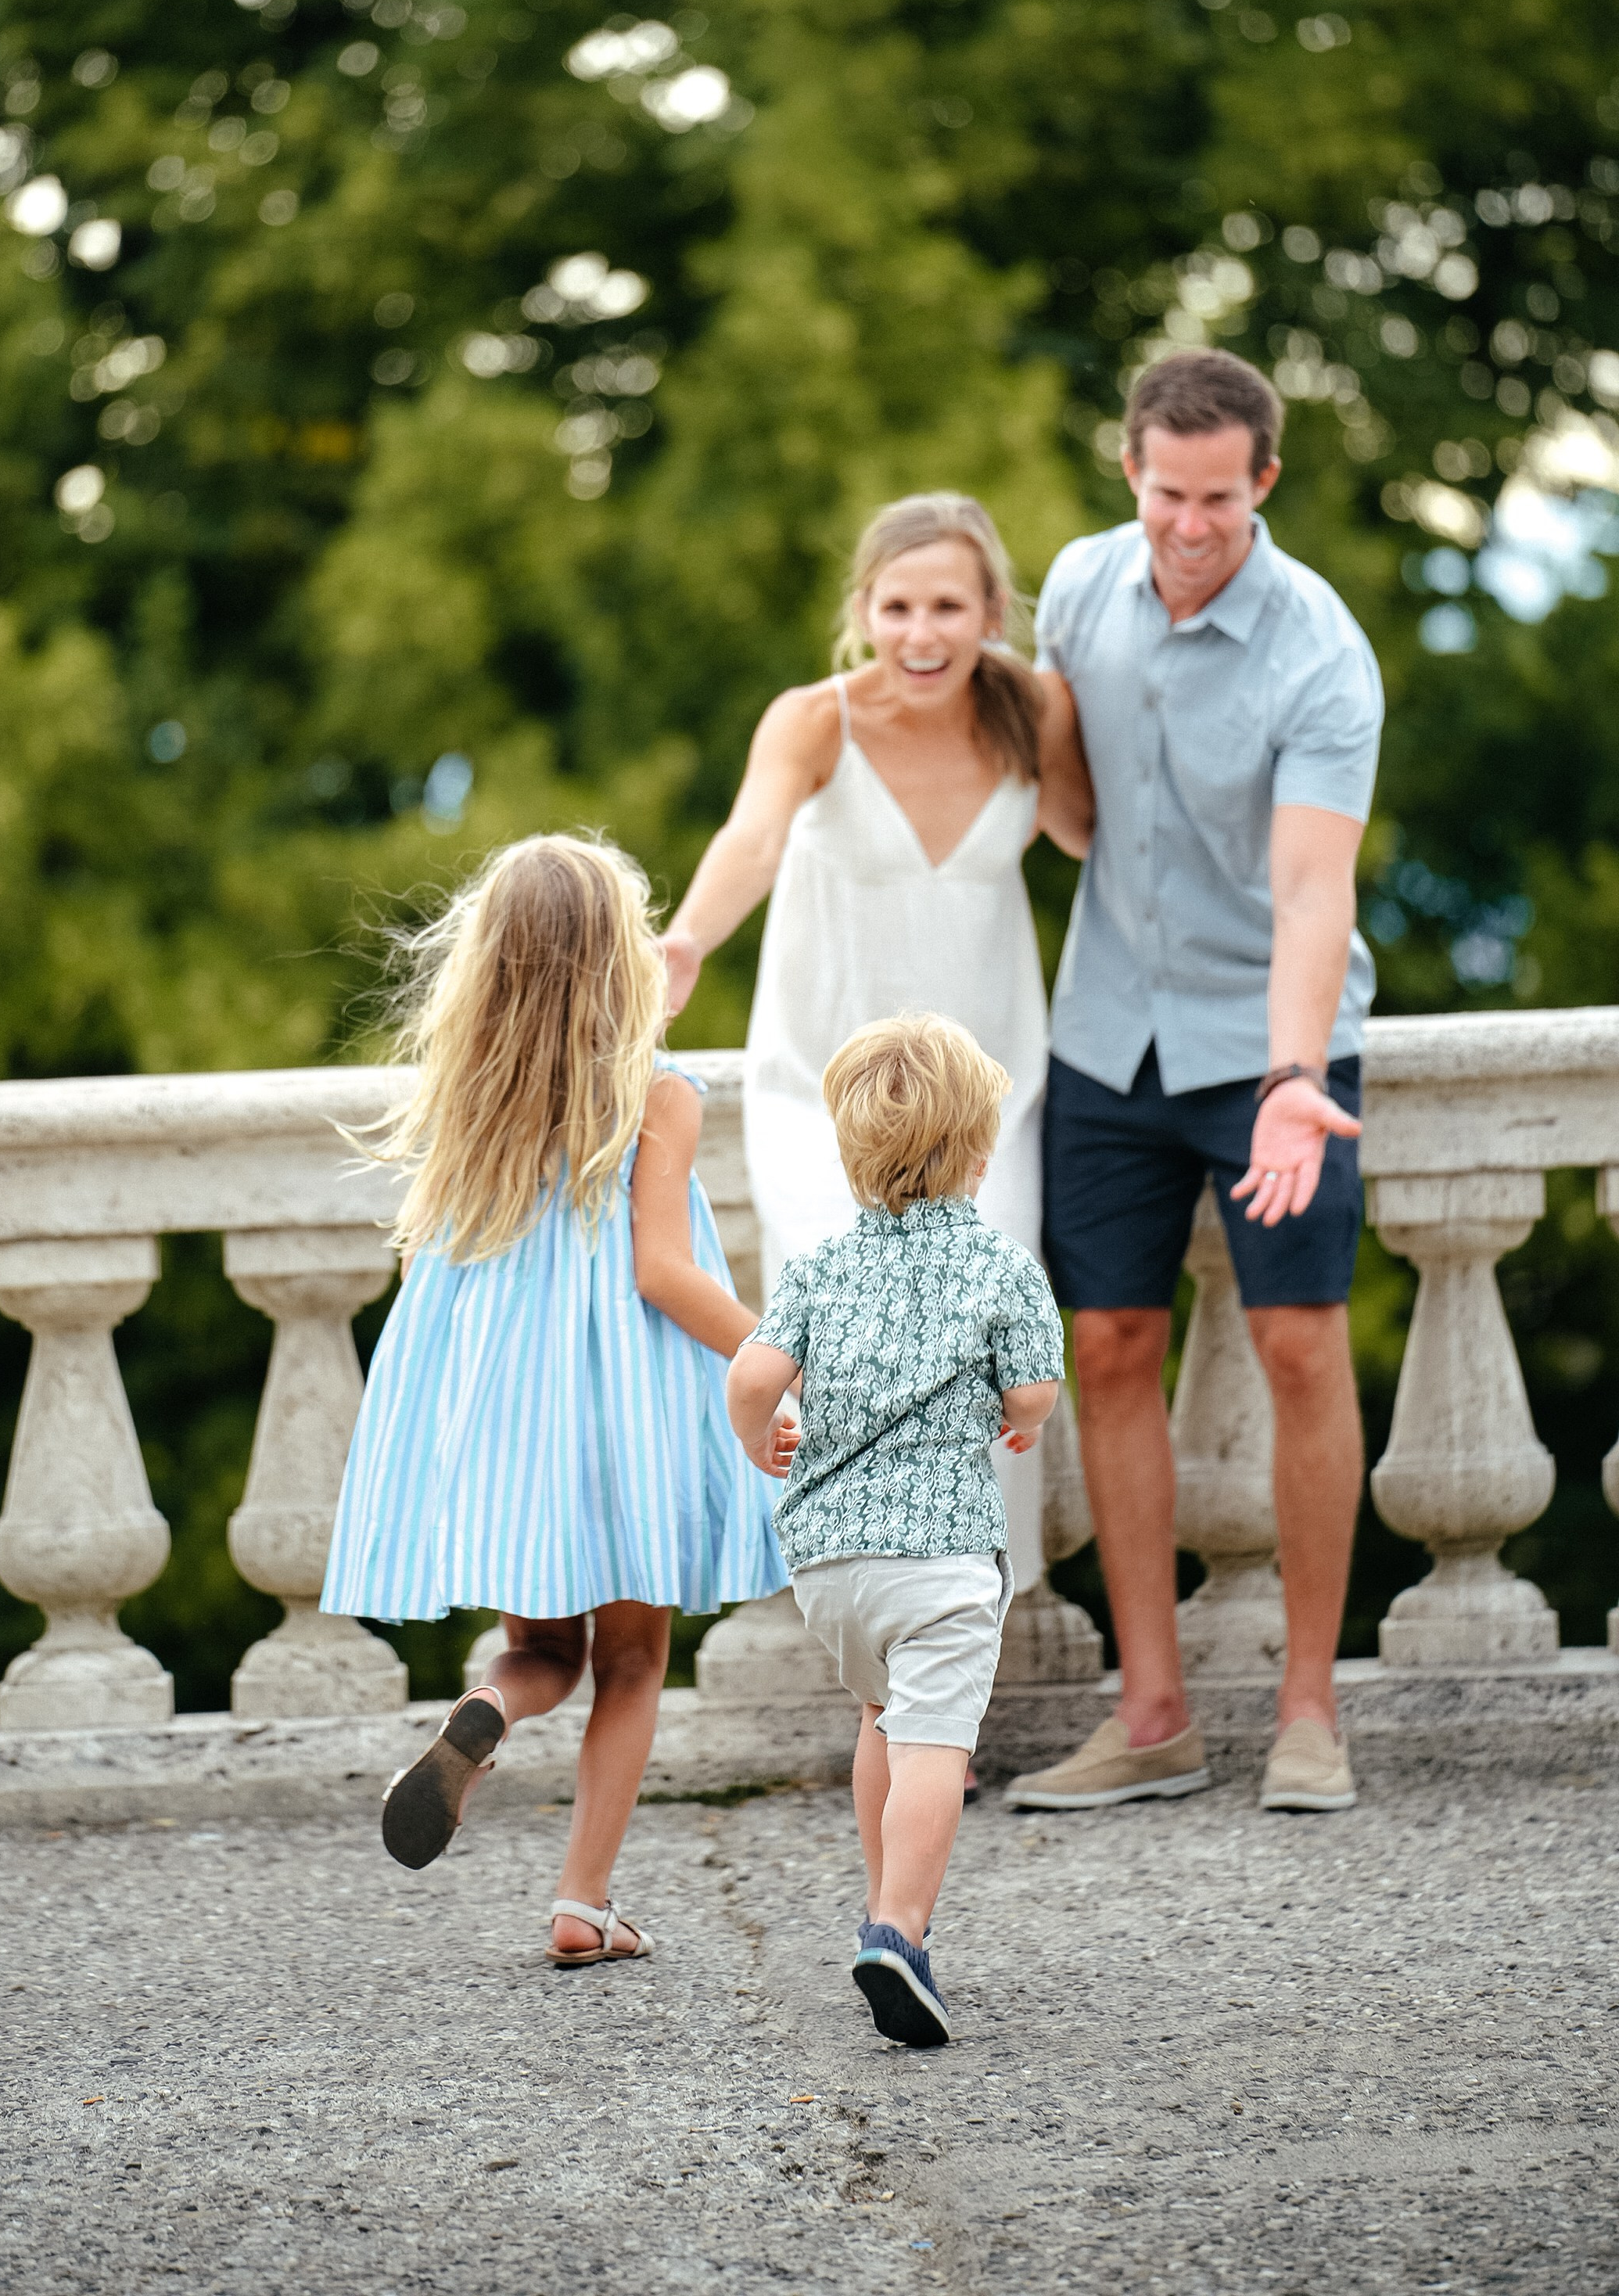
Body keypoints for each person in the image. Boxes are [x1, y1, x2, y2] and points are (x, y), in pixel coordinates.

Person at [1010, 347, 1383, 1818]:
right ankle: (1152, 1713)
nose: (1188, 525)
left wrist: (1294, 1073)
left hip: (1271, 1045)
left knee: (1298, 1343)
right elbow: (1073, 810)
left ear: (1263, 483)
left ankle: (1308, 1710)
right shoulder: (1081, 585)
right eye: (1167, 494)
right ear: (1132, 473)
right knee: (1104, 1341)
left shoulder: (1318, 651)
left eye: (1218, 499)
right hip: (1107, 1029)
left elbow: (1313, 894)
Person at [321, 834, 787, 1963]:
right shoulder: (660, 1095)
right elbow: (662, 1274)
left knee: (545, 1650)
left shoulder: (468, 1101)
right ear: (623, 964)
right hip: (624, 1424)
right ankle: (582, 1901)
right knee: (631, 1659)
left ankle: (489, 1712)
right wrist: (783, 1349)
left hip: (513, 1425)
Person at [662, 492, 1091, 1590]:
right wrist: (685, 943)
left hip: (986, 1114)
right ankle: (873, 1655)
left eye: (949, 605)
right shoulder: (814, 720)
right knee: (842, 1362)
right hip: (821, 1103)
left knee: (988, 1360)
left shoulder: (1036, 712)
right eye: (898, 606)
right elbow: (752, 837)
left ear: (993, 608)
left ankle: (958, 1666)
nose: (923, 634)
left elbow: (1100, 836)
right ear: (863, 608)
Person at [729, 1015, 1064, 2048]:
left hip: (831, 1565)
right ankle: (900, 1928)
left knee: (880, 1712)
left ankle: (883, 1904)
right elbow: (1036, 1387)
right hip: (943, 1558)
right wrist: (1023, 1418)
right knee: (934, 1745)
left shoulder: (820, 1267)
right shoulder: (1002, 1268)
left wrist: (761, 1438)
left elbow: (751, 1377)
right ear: (979, 1150)